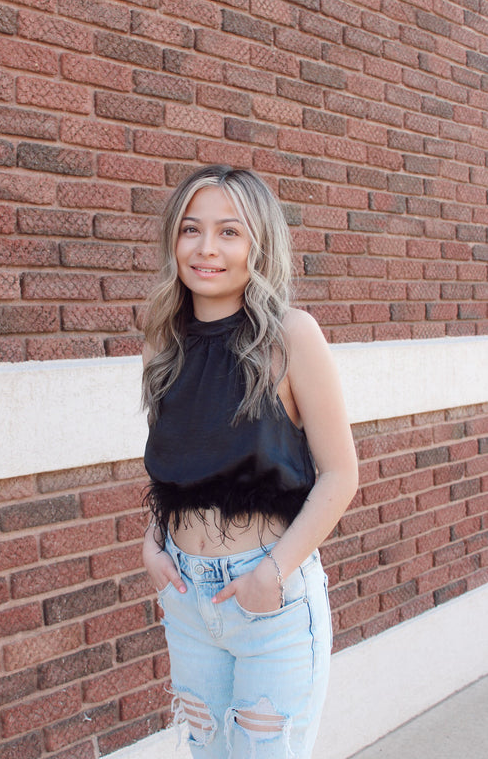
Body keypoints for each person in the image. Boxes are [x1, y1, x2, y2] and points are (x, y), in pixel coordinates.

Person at [141, 165, 358, 759]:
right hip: (186, 601)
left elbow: (341, 474)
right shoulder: (164, 342)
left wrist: (273, 573)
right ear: (173, 240)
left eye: (229, 232)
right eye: (191, 229)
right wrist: (151, 542)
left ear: (258, 243)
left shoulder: (292, 336)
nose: (206, 248)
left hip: (271, 603)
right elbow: (177, 467)